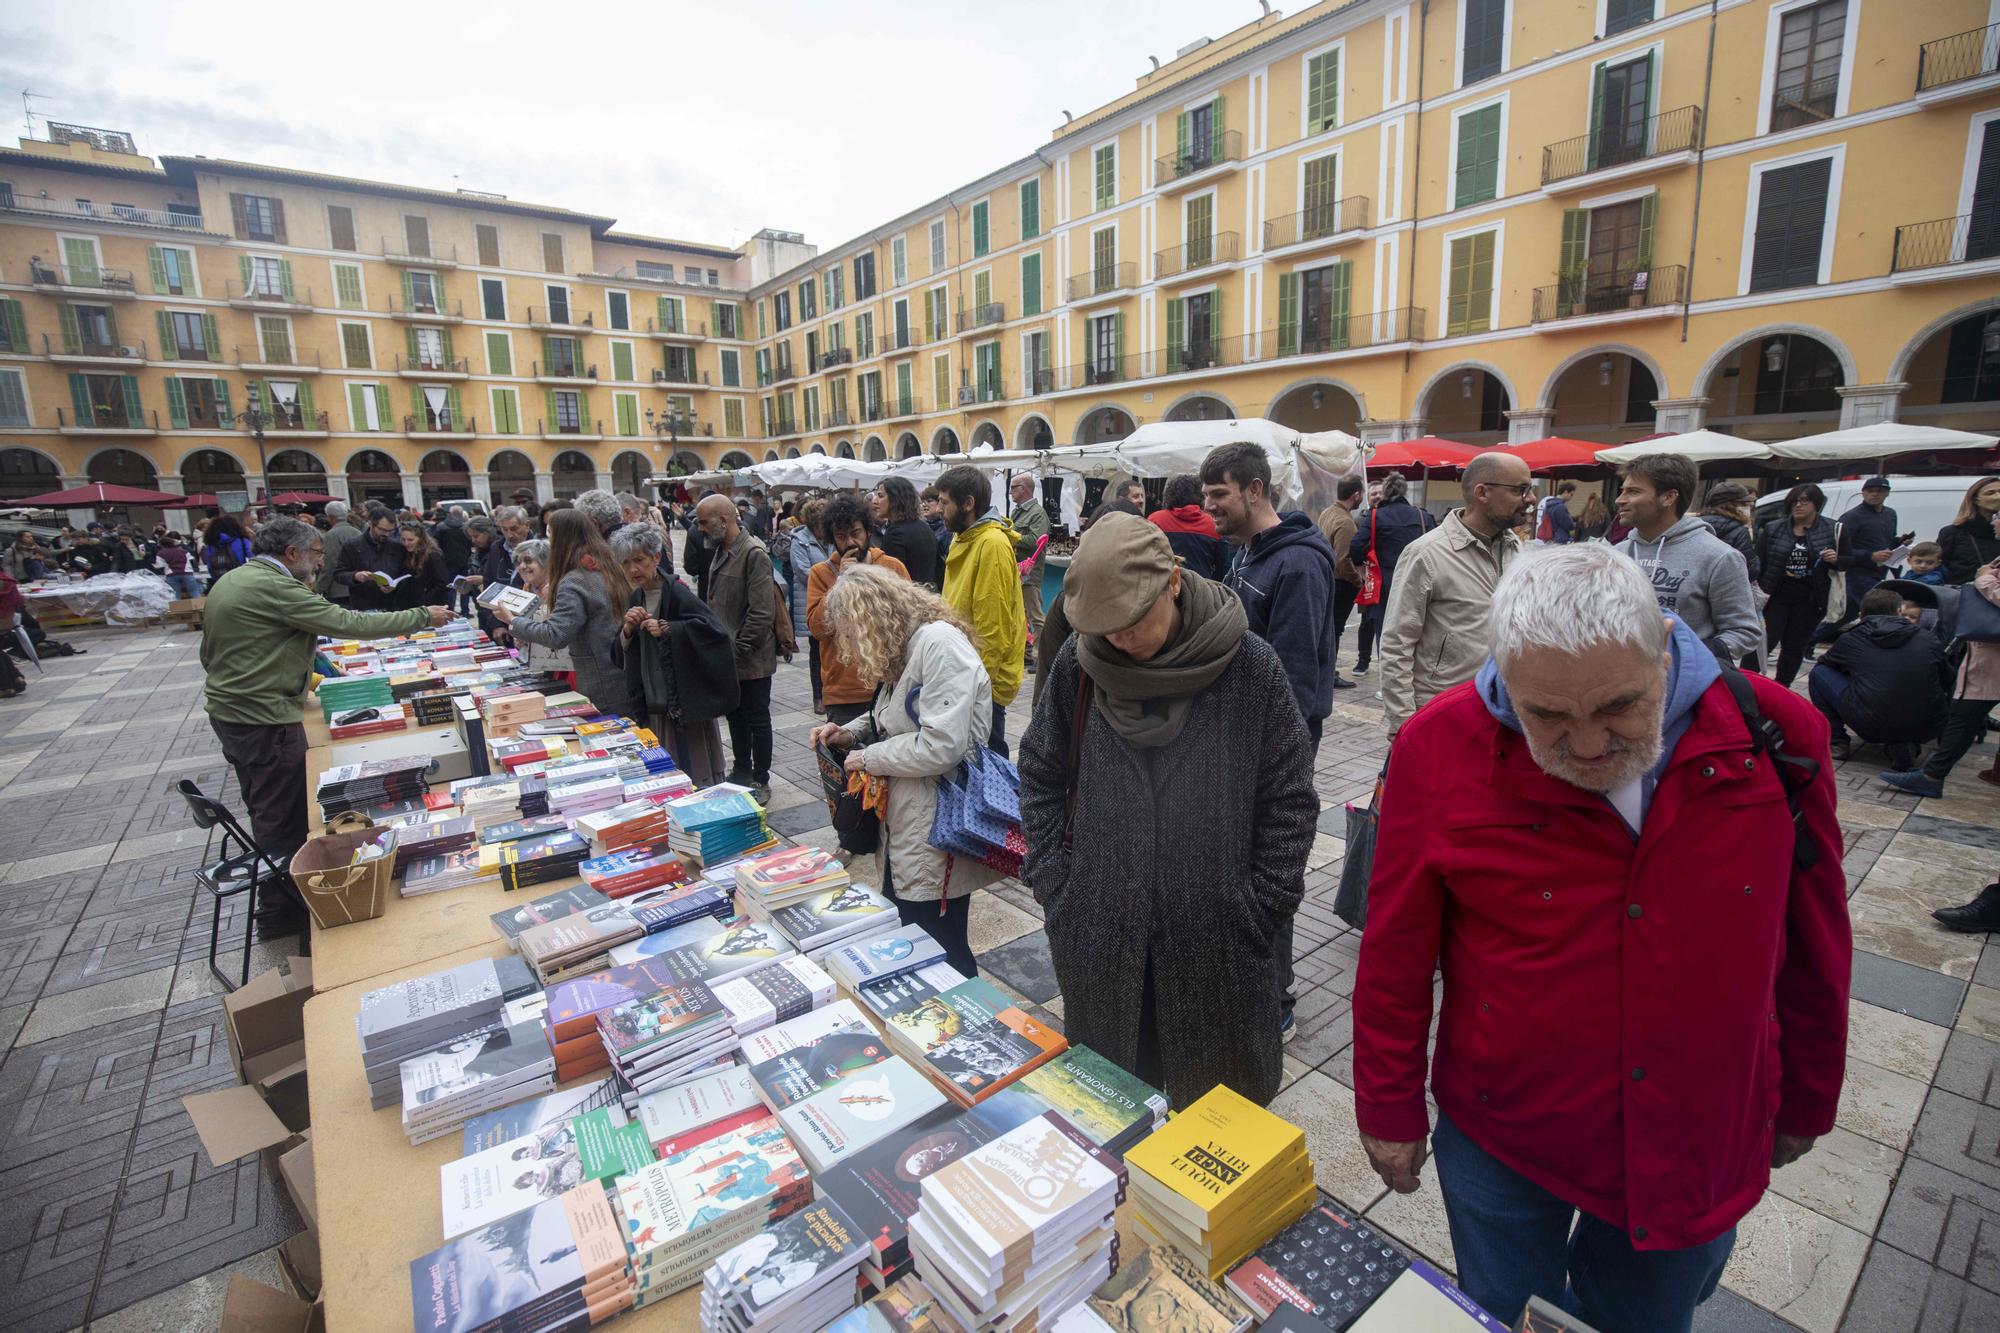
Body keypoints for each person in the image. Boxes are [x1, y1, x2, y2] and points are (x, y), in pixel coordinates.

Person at [1353, 543, 1850, 1332]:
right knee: (1502, 1311)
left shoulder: (1776, 735)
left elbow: (1816, 935)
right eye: (1545, 714)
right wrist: (1386, 1104)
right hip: (1504, 1127)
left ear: (1665, 647)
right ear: (1504, 671)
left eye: (1619, 705)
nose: (1587, 744)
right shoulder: (1439, 747)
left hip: (1698, 1126)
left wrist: (1809, 1093)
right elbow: (1395, 949)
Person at [1017, 513, 1317, 1107]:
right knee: (1115, 1107)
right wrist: (1056, 882)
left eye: (1132, 621)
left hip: (1218, 944)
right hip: (1102, 934)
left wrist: (1259, 907)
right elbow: (1040, 770)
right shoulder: (1081, 665)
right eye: (1106, 628)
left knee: (1215, 1125)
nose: (1120, 639)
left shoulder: (1249, 669)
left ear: (1173, 580)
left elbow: (1290, 800)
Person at [201, 516, 448, 869]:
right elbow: (349, 623)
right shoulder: (276, 587)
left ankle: (281, 897)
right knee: (284, 815)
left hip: (237, 711)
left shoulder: (235, 578)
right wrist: (422, 616)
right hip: (263, 718)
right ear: (290, 553)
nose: (321, 561)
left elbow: (209, 652)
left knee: (265, 801)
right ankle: (282, 908)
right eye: (316, 553)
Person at [810, 566, 1000, 976]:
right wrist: (850, 732)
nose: (850, 646)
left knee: (941, 943)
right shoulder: (907, 645)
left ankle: (967, 1026)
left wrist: (869, 756)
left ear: (871, 619)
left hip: (935, 821)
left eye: (850, 633)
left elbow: (942, 745)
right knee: (915, 934)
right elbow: (895, 716)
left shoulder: (937, 645)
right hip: (909, 819)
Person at [1376, 454, 1530, 740]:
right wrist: (1404, 725)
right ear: (1482, 492)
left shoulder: (1515, 549)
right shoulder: (1426, 553)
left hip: (1502, 712)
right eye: (1519, 489)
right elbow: (1396, 644)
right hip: (1441, 714)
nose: (1530, 498)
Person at [610, 525, 736, 788]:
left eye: (639, 560)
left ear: (656, 558)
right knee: (664, 767)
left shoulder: (677, 591)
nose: (633, 570)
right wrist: (628, 630)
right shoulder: (636, 595)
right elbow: (620, 649)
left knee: (692, 765)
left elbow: (715, 633)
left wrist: (670, 629)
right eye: (626, 563)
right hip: (654, 700)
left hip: (682, 703)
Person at [1614, 454, 1762, 667]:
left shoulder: (1719, 557)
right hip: (1621, 680)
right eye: (1622, 491)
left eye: (1633, 491)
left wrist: (1689, 657)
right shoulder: (1616, 553)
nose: (1620, 499)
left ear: (1668, 498)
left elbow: (1743, 631)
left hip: (1684, 685)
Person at [490, 510, 640, 719]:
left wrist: (513, 620)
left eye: (550, 534)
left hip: (600, 679)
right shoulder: (608, 565)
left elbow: (556, 635)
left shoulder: (575, 580)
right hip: (622, 670)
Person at [1879, 560, 2000, 800]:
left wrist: (1985, 578)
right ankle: (1932, 775)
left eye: (1997, 518)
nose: (1995, 520)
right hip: (1989, 655)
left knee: (1964, 716)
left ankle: (1931, 777)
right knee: (1965, 716)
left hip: (1992, 657)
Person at [936, 465, 1026, 756]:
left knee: (990, 773)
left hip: (981, 685)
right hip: (963, 675)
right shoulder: (963, 537)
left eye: (945, 502)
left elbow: (992, 629)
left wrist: (977, 690)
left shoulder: (992, 544)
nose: (939, 509)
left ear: (968, 503)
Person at [695, 494, 778, 803]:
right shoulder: (721, 550)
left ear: (724, 520)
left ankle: (760, 778)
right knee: (736, 717)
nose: (700, 529)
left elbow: (761, 613)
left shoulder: (753, 553)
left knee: (757, 719)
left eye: (704, 522)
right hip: (729, 656)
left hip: (751, 658)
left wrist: (739, 651)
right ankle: (741, 770)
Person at [1809, 586, 1949, 765]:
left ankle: (1837, 741)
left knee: (1819, 673)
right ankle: (1906, 739)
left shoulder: (1852, 638)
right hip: (1926, 725)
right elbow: (1947, 679)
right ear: (1899, 612)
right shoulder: (1928, 639)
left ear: (1861, 614)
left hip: (1870, 721)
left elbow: (1828, 664)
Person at [808, 495, 910, 727]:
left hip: (890, 684)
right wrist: (841, 581)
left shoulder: (892, 566)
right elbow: (817, 628)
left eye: (856, 533)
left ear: (867, 532)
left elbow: (910, 618)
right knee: (848, 760)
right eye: (841, 537)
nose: (850, 542)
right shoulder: (821, 573)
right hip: (844, 691)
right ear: (833, 539)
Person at [1346, 472, 1433, 675]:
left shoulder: (1375, 516)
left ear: (1385, 492)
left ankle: (1388, 681)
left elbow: (1356, 546)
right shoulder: (1422, 516)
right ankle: (1413, 676)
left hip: (1383, 584)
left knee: (1384, 634)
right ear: (1405, 491)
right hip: (1418, 581)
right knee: (1417, 630)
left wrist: (1362, 565)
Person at [1754, 483, 1838, 689]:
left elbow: (1848, 561)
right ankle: (1750, 682)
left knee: (1795, 645)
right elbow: (1760, 562)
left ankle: (1783, 687)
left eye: (1804, 501)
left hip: (1810, 598)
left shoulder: (1831, 529)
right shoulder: (1774, 528)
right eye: (1794, 502)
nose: (1798, 506)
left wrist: (1836, 559)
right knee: (1764, 642)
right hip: (1775, 594)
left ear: (1816, 504)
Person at [1314, 475, 1366, 687]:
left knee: (1328, 629)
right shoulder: (1345, 522)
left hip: (1327, 580)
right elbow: (1343, 561)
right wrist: (1357, 581)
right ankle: (1329, 675)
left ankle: (1324, 672)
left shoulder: (1328, 513)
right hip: (1340, 584)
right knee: (1335, 630)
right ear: (1356, 495)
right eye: (1361, 493)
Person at [506, 539, 574, 680]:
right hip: (537, 663)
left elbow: (556, 632)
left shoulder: (558, 589)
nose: (522, 566)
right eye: (519, 562)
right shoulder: (528, 587)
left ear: (546, 563)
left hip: (563, 667)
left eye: (528, 561)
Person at [788, 498, 832, 714]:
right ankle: (818, 696)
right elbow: (803, 571)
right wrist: (829, 578)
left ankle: (831, 691)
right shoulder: (800, 540)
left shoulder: (832, 537)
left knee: (831, 651)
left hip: (834, 602)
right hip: (813, 602)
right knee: (816, 653)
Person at [1149, 473, 1230, 581]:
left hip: (1164, 585)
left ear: (1169, 494)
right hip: (1202, 587)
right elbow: (1221, 565)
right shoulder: (1213, 524)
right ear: (1200, 495)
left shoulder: (1155, 520)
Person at [1008, 473, 1051, 657]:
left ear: (1024, 489)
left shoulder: (1038, 513)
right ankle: (1025, 651)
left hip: (1030, 573)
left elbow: (1035, 540)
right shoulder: (1018, 511)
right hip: (1018, 570)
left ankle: (1040, 653)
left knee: (1035, 615)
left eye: (1013, 488)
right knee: (1021, 614)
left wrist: (1011, 536)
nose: (1010, 492)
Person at [332, 505, 406, 610]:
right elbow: (338, 574)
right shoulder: (352, 546)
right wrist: (355, 576)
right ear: (370, 524)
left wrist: (396, 586)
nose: (386, 534)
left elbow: (406, 574)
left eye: (390, 530)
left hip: (393, 605)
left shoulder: (397, 547)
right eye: (382, 530)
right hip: (364, 606)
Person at [871, 477, 939, 589]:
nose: (875, 501)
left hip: (908, 600)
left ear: (895, 499)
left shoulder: (896, 533)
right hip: (928, 597)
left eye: (880, 495)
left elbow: (891, 581)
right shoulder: (924, 527)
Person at [1937, 476, 2000, 584]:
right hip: (1964, 596)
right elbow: (1937, 567)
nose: (1997, 496)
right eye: (1990, 493)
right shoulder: (1954, 533)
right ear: (1975, 499)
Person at [1696, 483, 1760, 584]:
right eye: (1744, 503)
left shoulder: (1695, 525)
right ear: (1732, 505)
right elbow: (1750, 570)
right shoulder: (1739, 531)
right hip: (1724, 589)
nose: (1749, 506)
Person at [392, 519, 453, 610]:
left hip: (430, 606)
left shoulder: (432, 555)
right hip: (411, 605)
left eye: (410, 540)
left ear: (420, 538)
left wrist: (424, 601)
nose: (406, 543)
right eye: (403, 539)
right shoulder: (407, 553)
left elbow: (443, 582)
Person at [316, 501, 362, 604]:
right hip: (359, 584)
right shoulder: (358, 532)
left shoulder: (331, 536)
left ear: (330, 517)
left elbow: (329, 564)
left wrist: (319, 588)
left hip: (339, 589)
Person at [201, 514, 252, 589]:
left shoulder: (211, 544)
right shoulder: (242, 541)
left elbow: (208, 563)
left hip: (219, 582)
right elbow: (255, 557)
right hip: (240, 580)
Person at [921, 486, 954, 575]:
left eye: (929, 501)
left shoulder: (947, 529)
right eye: (922, 502)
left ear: (940, 502)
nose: (924, 505)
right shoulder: (923, 527)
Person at [158, 533, 202, 600]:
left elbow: (159, 566)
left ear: (162, 545)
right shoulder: (184, 551)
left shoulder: (161, 553)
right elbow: (192, 561)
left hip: (171, 575)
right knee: (194, 593)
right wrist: (196, 570)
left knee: (175, 596)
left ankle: (177, 610)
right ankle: (200, 608)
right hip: (187, 573)